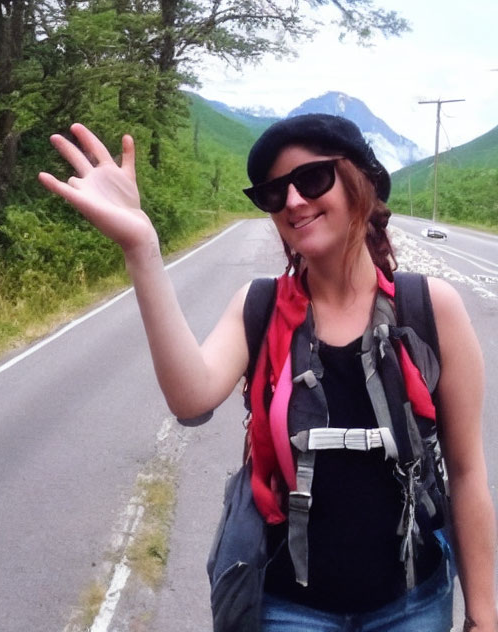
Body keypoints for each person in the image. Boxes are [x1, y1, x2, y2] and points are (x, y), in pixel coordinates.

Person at [38, 115, 497, 632]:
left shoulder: (430, 309)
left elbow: (466, 473)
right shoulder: (258, 308)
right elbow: (191, 399)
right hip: (288, 610)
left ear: (360, 183)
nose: (295, 201)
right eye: (275, 193)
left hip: (413, 603)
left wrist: (484, 617)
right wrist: (142, 250)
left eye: (313, 179)